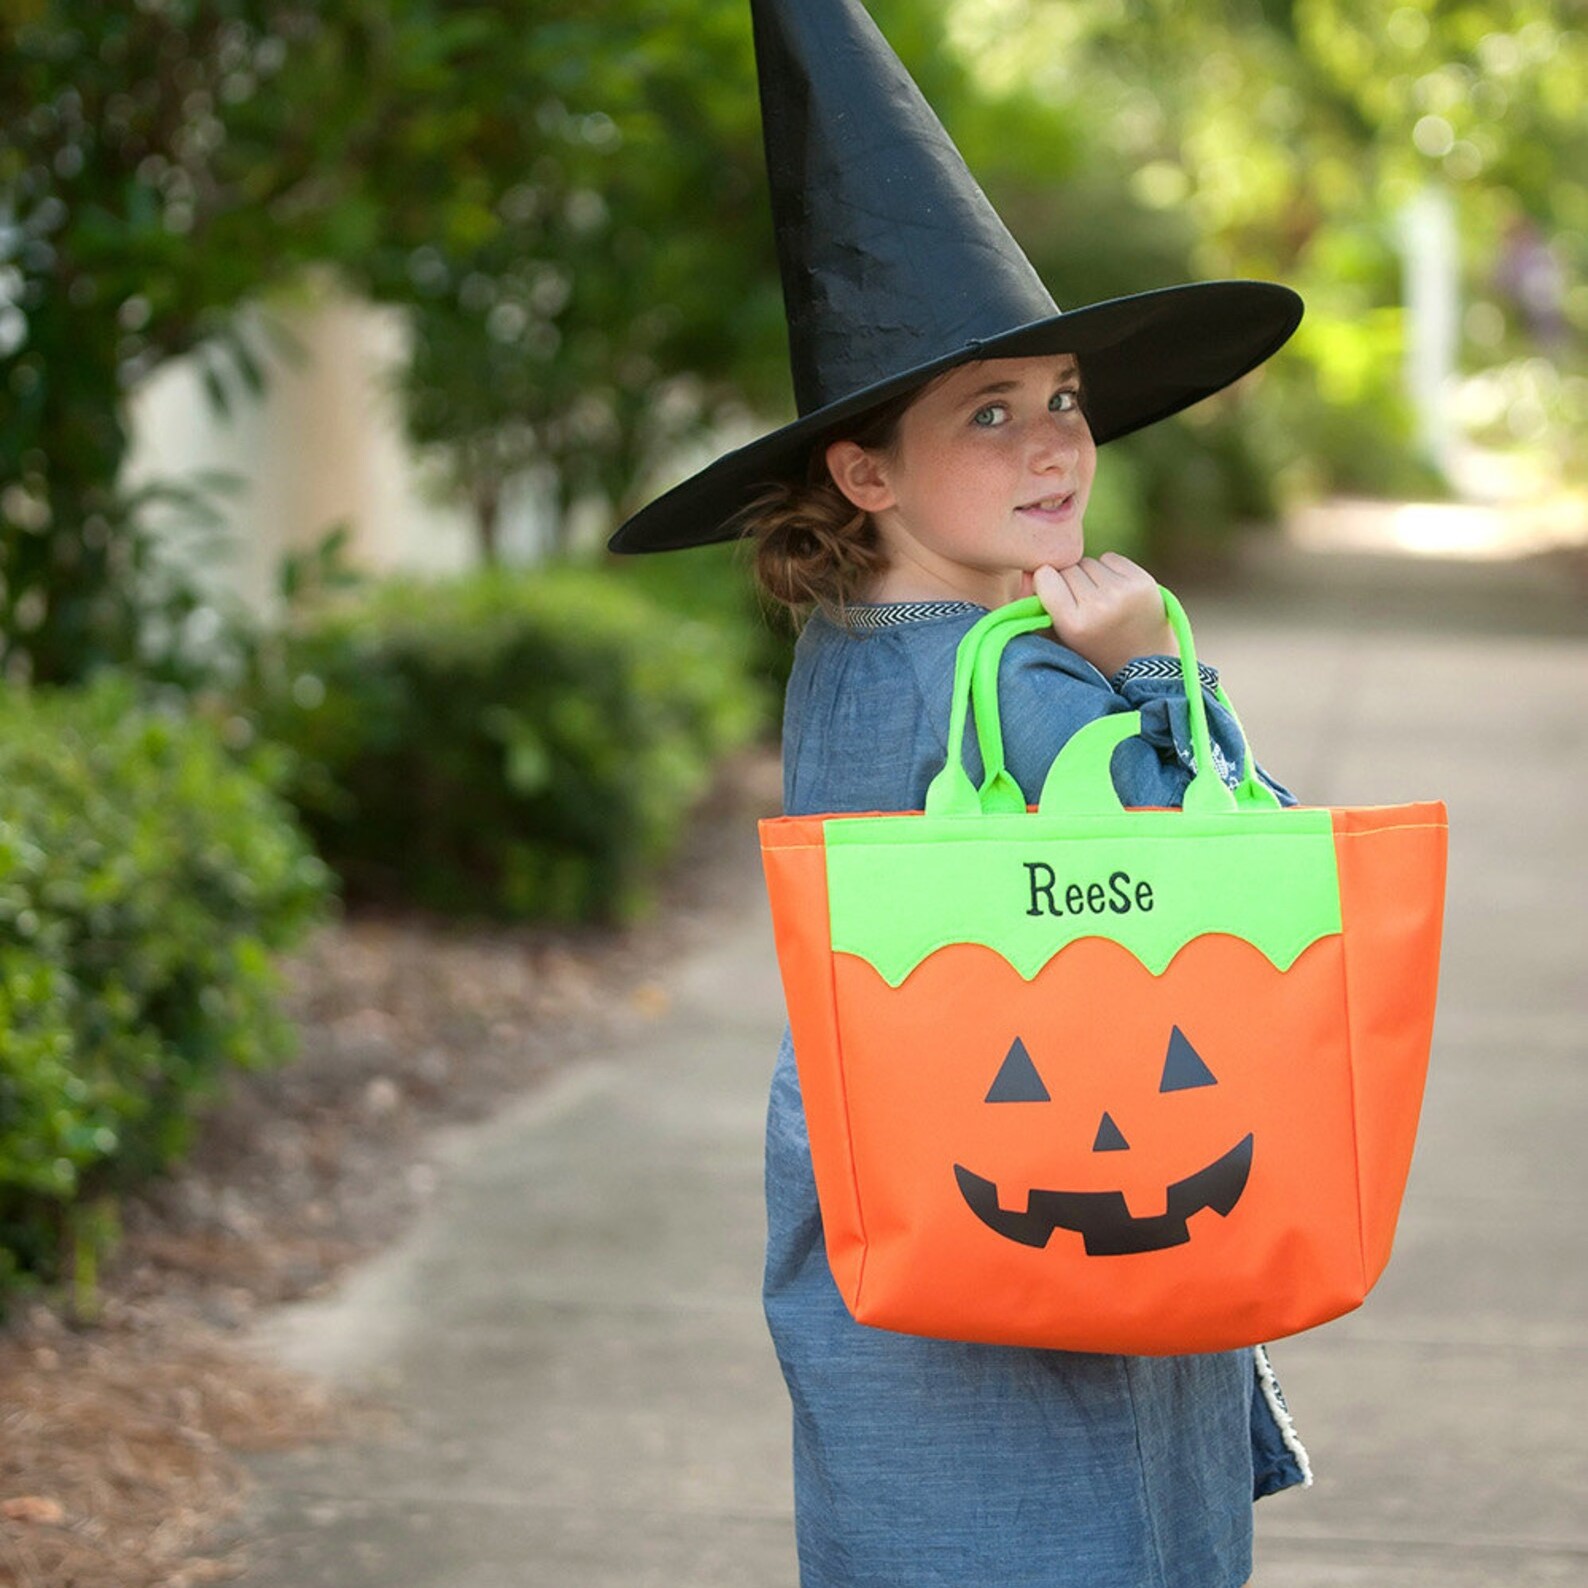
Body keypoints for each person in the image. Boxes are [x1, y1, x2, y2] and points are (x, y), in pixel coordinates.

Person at [608, 0, 1311, 1581]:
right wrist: (1152, 671)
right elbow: (1250, 869)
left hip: (900, 1230)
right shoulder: (1032, 680)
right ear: (865, 472)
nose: (1055, 443)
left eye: (1062, 398)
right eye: (986, 413)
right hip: (1075, 1248)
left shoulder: (848, 655)